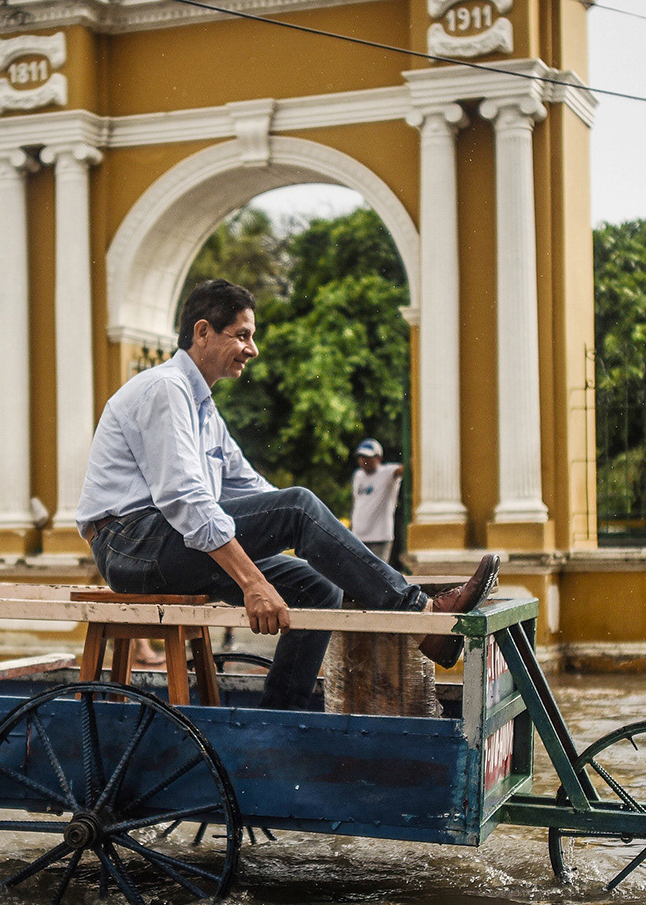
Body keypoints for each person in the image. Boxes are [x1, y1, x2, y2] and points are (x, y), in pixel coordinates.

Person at [76, 278, 499, 711]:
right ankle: (422, 618)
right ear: (202, 332)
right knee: (299, 506)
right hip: (130, 544)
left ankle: (279, 717)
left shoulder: (205, 409)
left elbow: (255, 490)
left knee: (319, 589)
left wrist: (331, 544)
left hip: (166, 544)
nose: (252, 349)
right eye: (242, 335)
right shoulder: (166, 389)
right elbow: (185, 499)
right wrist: (253, 581)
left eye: (251, 337)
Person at [348, 438, 406, 564]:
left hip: (379, 537)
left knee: (378, 574)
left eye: (368, 457)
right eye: (361, 457)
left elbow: (404, 469)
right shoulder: (358, 475)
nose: (364, 461)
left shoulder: (387, 472)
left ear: (378, 458)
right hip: (358, 537)